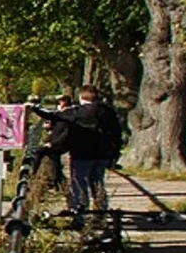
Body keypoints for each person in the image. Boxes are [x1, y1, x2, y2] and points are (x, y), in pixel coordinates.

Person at [29, 85, 123, 220]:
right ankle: (101, 211)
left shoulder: (77, 112)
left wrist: (34, 108)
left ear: (81, 97)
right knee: (97, 181)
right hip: (103, 153)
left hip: (82, 152)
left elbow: (53, 115)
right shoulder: (108, 112)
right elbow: (117, 133)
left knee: (79, 182)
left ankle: (80, 210)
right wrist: (115, 153)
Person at [30, 94, 74, 188]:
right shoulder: (61, 113)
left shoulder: (69, 114)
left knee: (39, 151)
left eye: (61, 101)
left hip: (61, 143)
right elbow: (51, 117)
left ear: (66, 102)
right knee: (54, 158)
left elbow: (66, 133)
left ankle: (33, 174)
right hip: (56, 141)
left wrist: (53, 143)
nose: (59, 103)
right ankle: (57, 181)